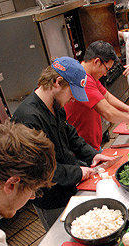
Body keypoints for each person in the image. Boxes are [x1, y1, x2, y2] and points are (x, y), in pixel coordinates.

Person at [12, 56, 114, 230]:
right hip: (51, 197)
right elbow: (41, 170)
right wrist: (78, 172)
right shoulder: (28, 118)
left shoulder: (56, 106)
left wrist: (93, 154)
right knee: (61, 234)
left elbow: (71, 136)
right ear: (58, 82)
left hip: (69, 185)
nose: (73, 99)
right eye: (72, 93)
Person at [65, 40, 129, 151]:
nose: (105, 74)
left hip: (92, 143)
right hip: (82, 148)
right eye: (106, 69)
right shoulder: (82, 80)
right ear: (96, 61)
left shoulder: (89, 75)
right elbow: (108, 112)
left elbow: (106, 96)